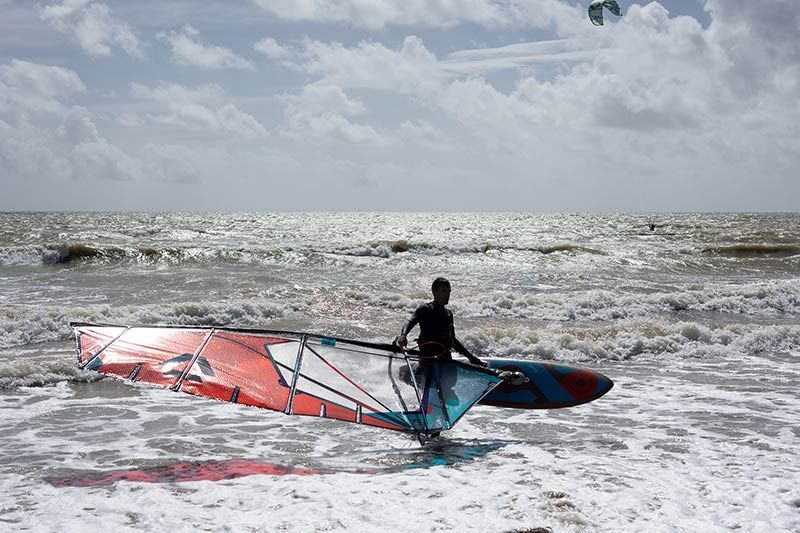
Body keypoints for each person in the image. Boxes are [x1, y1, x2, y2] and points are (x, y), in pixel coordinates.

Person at [395, 277, 486, 367]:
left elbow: (453, 340)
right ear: (434, 292)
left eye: (449, 292)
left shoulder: (448, 314)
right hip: (428, 359)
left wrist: (470, 357)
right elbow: (410, 322)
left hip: (445, 359)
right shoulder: (425, 309)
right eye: (444, 291)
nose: (447, 295)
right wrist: (403, 335)